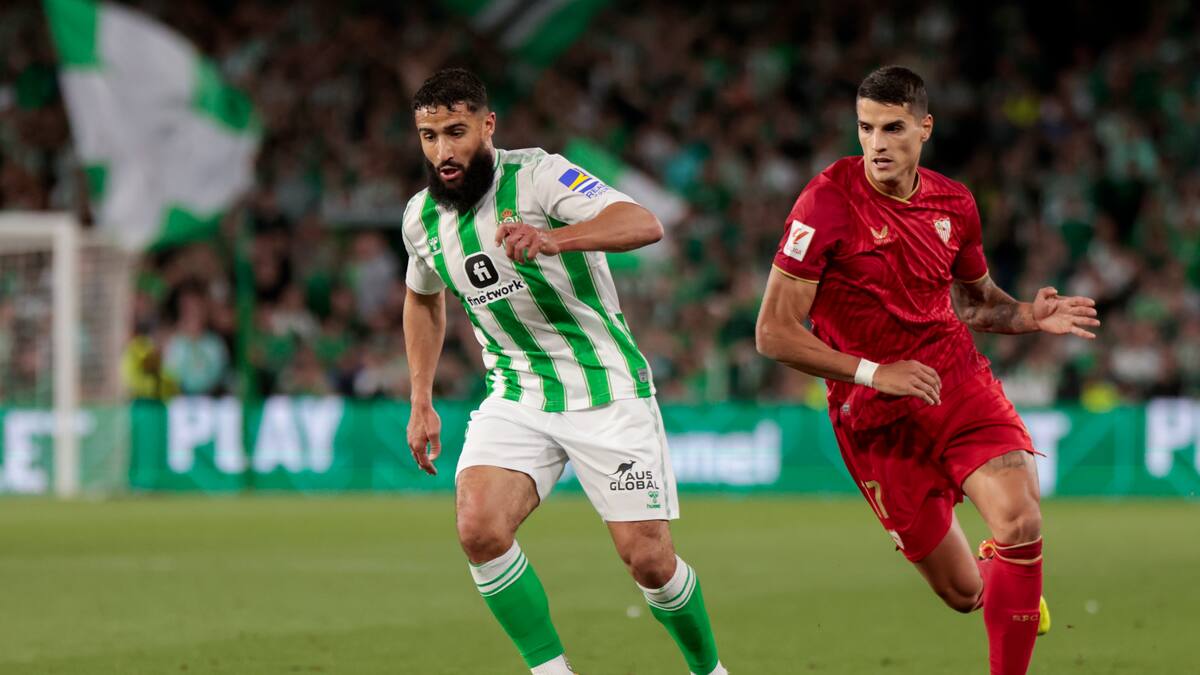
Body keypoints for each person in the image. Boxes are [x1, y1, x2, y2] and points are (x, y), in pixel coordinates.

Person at [755, 65, 1101, 675]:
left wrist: (1029, 314)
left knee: (1020, 520)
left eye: (892, 128)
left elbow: (975, 303)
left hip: (957, 381)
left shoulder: (955, 202)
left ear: (925, 128)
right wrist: (874, 373)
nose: (876, 144)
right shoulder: (826, 202)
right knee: (965, 593)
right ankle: (1003, 583)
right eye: (865, 128)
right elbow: (773, 333)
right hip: (874, 415)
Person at [402, 68, 727, 675]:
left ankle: (711, 671)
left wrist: (558, 239)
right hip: (517, 393)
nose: (442, 151)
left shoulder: (540, 175)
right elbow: (422, 299)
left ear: (487, 126)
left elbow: (643, 223)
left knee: (649, 561)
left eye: (455, 132)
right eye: (429, 136)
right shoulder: (421, 218)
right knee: (478, 527)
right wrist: (421, 397)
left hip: (605, 389)